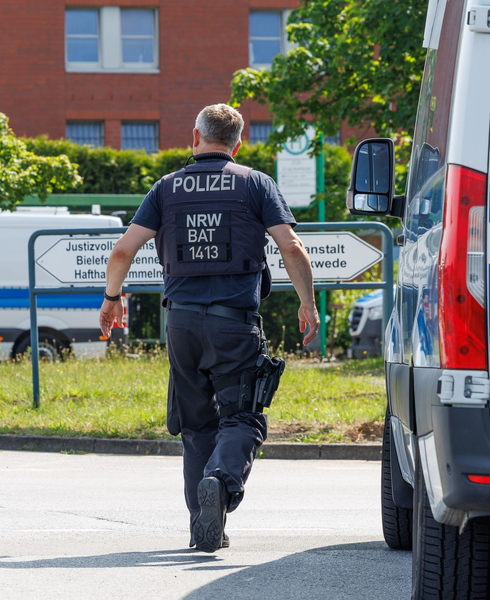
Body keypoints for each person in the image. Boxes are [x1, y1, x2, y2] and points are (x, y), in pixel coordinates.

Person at [98, 104, 320, 553]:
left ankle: (204, 522)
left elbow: (122, 251)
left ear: (193, 138)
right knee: (242, 416)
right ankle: (220, 483)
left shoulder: (165, 188)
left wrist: (112, 298)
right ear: (238, 145)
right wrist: (308, 304)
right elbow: (291, 247)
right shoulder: (256, 183)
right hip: (233, 325)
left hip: (179, 324)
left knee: (197, 425)